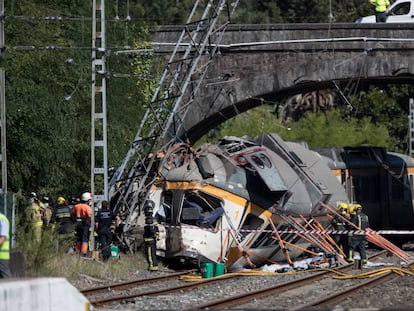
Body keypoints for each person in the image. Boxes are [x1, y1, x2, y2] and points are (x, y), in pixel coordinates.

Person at [72, 192, 92, 256]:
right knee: (85, 239)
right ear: (88, 200)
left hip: (77, 224)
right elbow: (89, 216)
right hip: (84, 224)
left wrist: (74, 221)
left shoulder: (76, 206)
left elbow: (72, 214)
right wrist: (88, 222)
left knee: (78, 238)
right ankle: (83, 253)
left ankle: (77, 251)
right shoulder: (87, 207)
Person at [143, 200, 159, 271]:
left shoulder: (148, 220)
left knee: (150, 254)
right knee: (153, 253)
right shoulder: (154, 219)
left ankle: (152, 267)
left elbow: (149, 230)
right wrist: (156, 235)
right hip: (153, 240)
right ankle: (155, 265)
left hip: (149, 240)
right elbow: (156, 229)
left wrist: (149, 235)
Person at [0, 211, 11, 278]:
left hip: (1, 257)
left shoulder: (2, 219)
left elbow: (3, 237)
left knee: (6, 279)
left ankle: (12, 288)